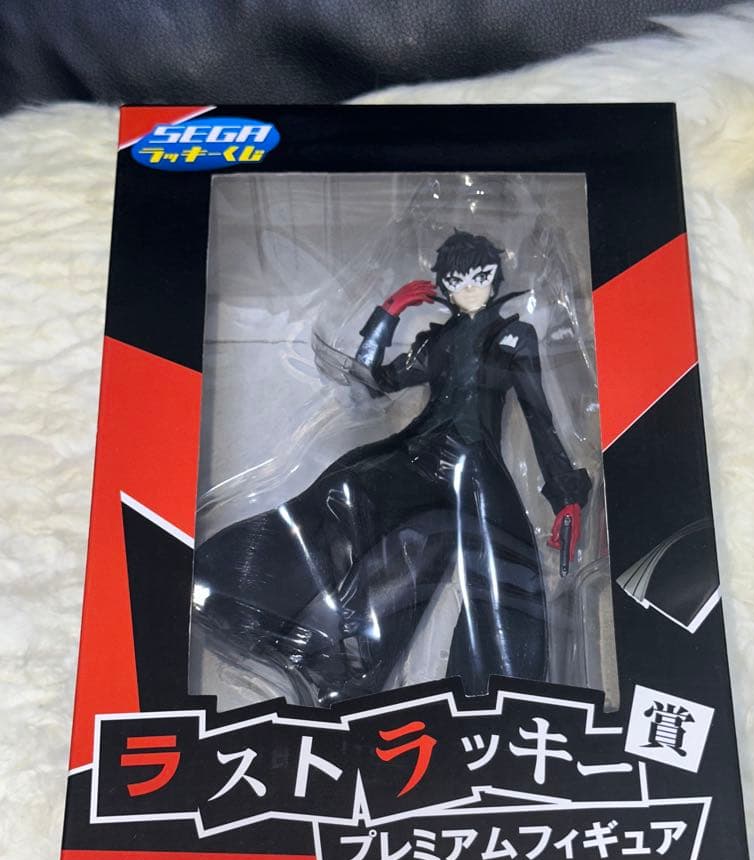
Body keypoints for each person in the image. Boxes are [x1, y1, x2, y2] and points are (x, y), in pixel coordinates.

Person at [194, 231, 591, 706]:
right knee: (343, 490)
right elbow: (369, 384)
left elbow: (539, 417)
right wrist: (387, 314)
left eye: (479, 276)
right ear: (443, 284)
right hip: (418, 455)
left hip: (475, 469)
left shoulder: (514, 337)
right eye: (457, 279)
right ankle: (280, 623)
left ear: (495, 277)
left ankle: (437, 691)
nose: (469, 287)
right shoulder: (437, 341)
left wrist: (565, 494)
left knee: (455, 568)